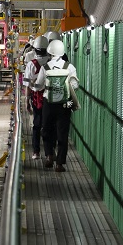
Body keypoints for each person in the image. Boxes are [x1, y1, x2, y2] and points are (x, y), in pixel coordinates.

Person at [35, 39, 79, 172]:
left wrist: (34, 85)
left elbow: (38, 86)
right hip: (64, 104)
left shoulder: (45, 67)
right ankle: (59, 164)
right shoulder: (69, 67)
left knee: (47, 130)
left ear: (50, 52)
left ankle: (49, 155)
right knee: (63, 132)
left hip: (49, 103)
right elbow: (75, 85)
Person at [23, 36, 49, 160]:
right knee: (49, 124)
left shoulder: (30, 65)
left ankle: (36, 152)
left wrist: (27, 101)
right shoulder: (52, 62)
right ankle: (50, 152)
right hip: (50, 98)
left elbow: (27, 85)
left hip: (36, 98)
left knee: (36, 125)